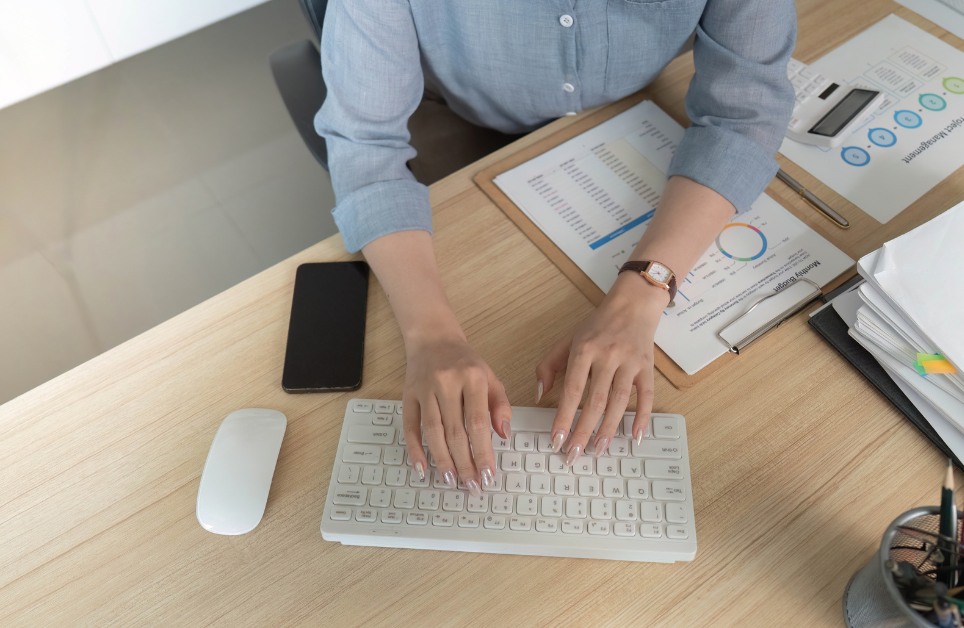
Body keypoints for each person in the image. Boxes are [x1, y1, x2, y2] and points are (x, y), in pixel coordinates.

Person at [315, 0, 795, 498]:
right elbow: (365, 145)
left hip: (627, 106)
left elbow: (745, 113)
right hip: (462, 115)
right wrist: (431, 336)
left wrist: (643, 290)